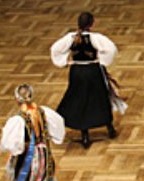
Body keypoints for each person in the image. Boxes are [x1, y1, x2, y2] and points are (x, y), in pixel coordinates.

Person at [51, 12, 122, 149]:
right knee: (99, 98)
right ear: (92, 24)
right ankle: (109, 128)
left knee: (79, 98)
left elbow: (55, 49)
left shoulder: (71, 38)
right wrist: (101, 60)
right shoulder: (95, 38)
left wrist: (66, 62)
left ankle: (85, 134)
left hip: (77, 72)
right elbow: (111, 49)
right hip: (92, 72)